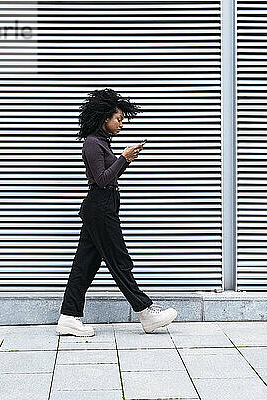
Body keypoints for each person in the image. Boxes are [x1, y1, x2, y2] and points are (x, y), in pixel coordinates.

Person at [56, 88, 178, 336]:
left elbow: (109, 178)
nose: (121, 123)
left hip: (104, 206)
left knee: (85, 266)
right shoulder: (92, 143)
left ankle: (68, 316)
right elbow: (101, 180)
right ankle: (146, 312)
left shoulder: (101, 143)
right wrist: (123, 158)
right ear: (104, 118)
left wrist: (124, 161)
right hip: (100, 208)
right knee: (119, 261)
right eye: (118, 119)